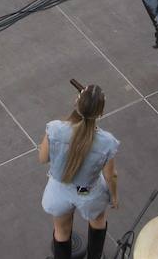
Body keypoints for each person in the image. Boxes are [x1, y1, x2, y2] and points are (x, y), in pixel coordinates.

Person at [38, 82, 118, 259]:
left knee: (62, 231)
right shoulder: (107, 142)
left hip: (60, 190)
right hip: (86, 191)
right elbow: (110, 175)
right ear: (101, 112)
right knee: (98, 220)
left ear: (76, 102)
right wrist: (114, 196)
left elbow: (43, 159)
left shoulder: (55, 129)